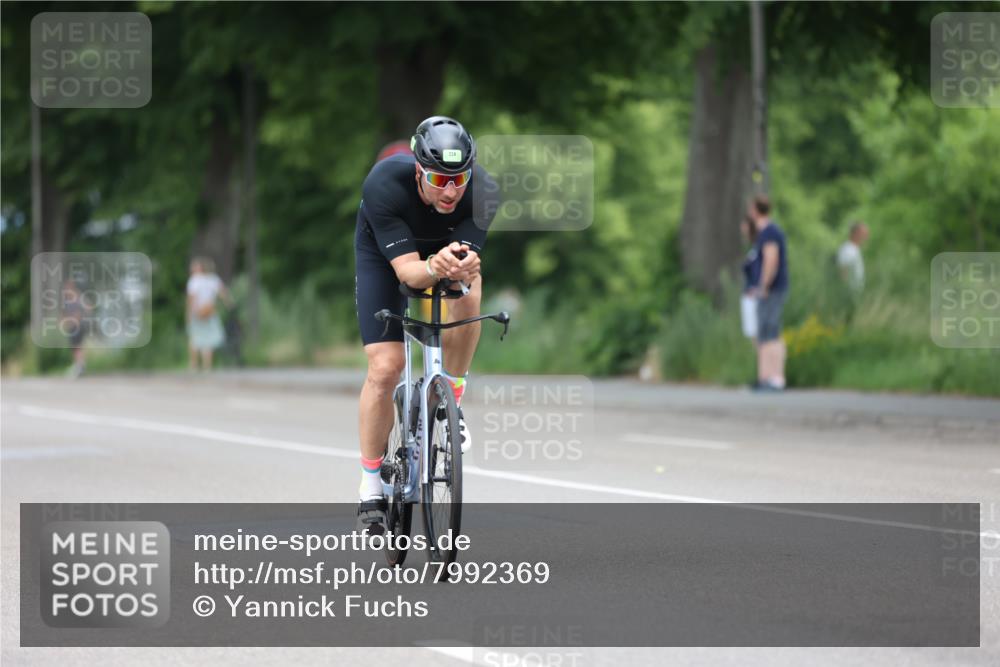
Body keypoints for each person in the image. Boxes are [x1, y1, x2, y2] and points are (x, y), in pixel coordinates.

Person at [353, 116, 496, 523]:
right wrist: (434, 265)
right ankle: (369, 484)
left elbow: (462, 267)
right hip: (386, 258)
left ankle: (452, 397)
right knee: (386, 367)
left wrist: (457, 267)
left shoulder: (484, 193)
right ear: (418, 170)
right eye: (437, 180)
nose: (450, 190)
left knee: (470, 288)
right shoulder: (384, 184)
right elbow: (410, 275)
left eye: (459, 179)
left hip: (441, 251)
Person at [747, 195, 789, 392]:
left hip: (771, 290)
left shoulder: (770, 232)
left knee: (771, 331)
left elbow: (771, 260)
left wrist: (764, 285)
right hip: (764, 290)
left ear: (755, 210)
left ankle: (776, 378)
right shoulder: (763, 232)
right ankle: (764, 377)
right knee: (763, 332)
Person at [185, 256, 233, 371]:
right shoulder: (214, 279)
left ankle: (194, 365)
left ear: (199, 268)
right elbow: (223, 293)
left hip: (197, 313)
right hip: (210, 312)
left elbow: (191, 299)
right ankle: (207, 366)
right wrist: (230, 305)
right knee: (208, 340)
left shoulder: (194, 281)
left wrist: (189, 315)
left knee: (195, 338)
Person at [837, 221, 869, 292]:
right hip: (848, 293)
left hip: (854, 293)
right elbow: (843, 271)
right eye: (864, 234)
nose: (866, 238)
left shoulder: (854, 249)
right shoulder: (848, 250)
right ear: (856, 233)